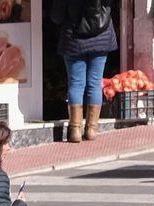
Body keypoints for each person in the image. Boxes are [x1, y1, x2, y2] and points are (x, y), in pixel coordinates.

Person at [49, 0, 116, 143]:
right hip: (101, 38)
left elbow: (56, 17)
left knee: (76, 84)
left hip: (73, 40)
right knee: (94, 83)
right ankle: (92, 130)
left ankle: (75, 130)